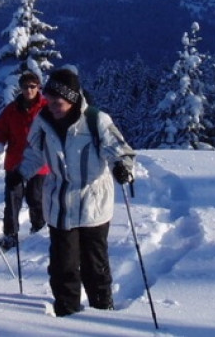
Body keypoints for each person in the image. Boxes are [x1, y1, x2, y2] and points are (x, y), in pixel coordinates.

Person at [18, 67, 136, 317]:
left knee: (95, 265)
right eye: (48, 101)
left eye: (57, 102)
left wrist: (122, 168)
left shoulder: (96, 120)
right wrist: (20, 173)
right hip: (59, 204)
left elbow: (120, 151)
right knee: (63, 266)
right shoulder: (43, 121)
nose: (51, 106)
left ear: (71, 99)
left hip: (93, 204)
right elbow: (34, 154)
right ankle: (67, 313)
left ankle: (102, 310)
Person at [0, 71, 49, 250]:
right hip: (15, 162)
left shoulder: (46, 108)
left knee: (36, 198)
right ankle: (10, 234)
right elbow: (1, 130)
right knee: (12, 199)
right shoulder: (11, 110)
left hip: (39, 163)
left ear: (38, 87)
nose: (29, 90)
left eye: (32, 86)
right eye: (25, 86)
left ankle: (38, 229)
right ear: (20, 88)